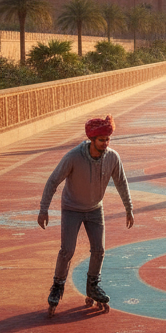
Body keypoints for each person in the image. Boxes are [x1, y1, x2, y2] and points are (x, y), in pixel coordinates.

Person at [39, 115, 134, 313]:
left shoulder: (112, 157)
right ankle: (57, 287)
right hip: (72, 208)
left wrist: (129, 208)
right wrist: (43, 208)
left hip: (95, 209)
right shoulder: (73, 157)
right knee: (67, 250)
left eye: (108, 139)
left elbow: (121, 182)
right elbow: (53, 180)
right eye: (101, 140)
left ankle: (93, 286)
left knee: (99, 250)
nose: (106, 144)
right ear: (92, 140)